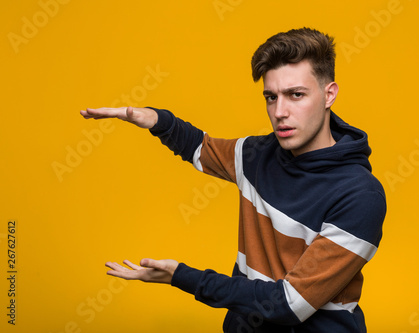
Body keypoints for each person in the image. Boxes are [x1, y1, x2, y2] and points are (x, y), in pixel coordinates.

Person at [81, 27, 386, 333]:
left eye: (296, 95)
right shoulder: (257, 155)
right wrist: (153, 119)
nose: (279, 112)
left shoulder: (361, 195)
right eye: (270, 97)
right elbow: (201, 148)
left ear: (329, 94)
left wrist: (183, 277)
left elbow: (288, 304)